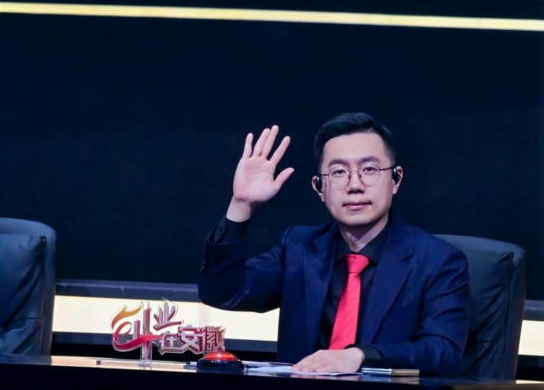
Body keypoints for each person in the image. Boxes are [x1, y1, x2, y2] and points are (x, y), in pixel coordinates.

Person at [198, 112, 470, 375]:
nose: (355, 185)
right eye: (339, 172)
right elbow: (222, 293)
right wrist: (241, 205)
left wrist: (359, 356)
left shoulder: (438, 261)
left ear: (395, 179)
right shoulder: (299, 249)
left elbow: (442, 351)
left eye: (370, 169)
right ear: (319, 188)